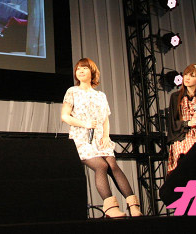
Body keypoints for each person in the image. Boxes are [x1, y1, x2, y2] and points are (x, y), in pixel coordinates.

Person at [61, 58, 142, 218]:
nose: (81, 71)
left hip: (99, 138)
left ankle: (133, 205)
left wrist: (105, 136)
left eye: (85, 68)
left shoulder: (100, 95)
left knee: (113, 165)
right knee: (101, 166)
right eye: (78, 69)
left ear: (92, 72)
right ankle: (110, 206)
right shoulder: (72, 91)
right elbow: (65, 116)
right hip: (81, 138)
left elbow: (105, 119)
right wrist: (84, 124)